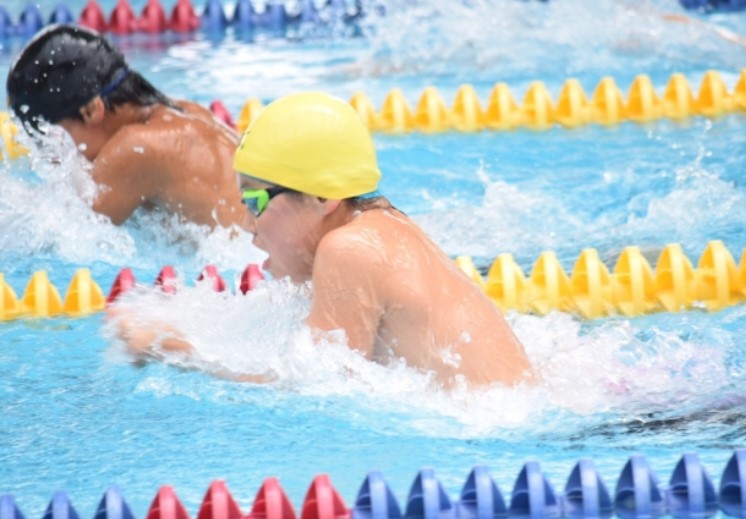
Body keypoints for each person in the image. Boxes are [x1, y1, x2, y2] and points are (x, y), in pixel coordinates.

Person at [120, 92, 534, 388]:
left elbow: (313, 388)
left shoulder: (348, 250)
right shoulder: (380, 225)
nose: (247, 224)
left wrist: (178, 350)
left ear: (322, 197)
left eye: (255, 201)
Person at [6, 24, 244, 227]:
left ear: (91, 110)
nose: (49, 154)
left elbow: (67, 232)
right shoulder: (184, 111)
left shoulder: (137, 147)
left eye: (51, 138)